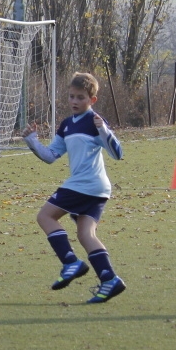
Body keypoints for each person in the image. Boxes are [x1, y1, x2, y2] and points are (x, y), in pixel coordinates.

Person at [22, 72, 126, 304]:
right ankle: (109, 279)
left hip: (85, 184)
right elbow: (51, 156)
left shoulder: (94, 121)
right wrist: (32, 140)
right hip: (97, 189)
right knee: (85, 233)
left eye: (80, 97)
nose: (74, 102)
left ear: (92, 100)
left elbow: (117, 153)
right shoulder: (67, 125)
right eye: (71, 96)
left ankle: (70, 261)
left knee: (45, 216)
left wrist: (104, 131)